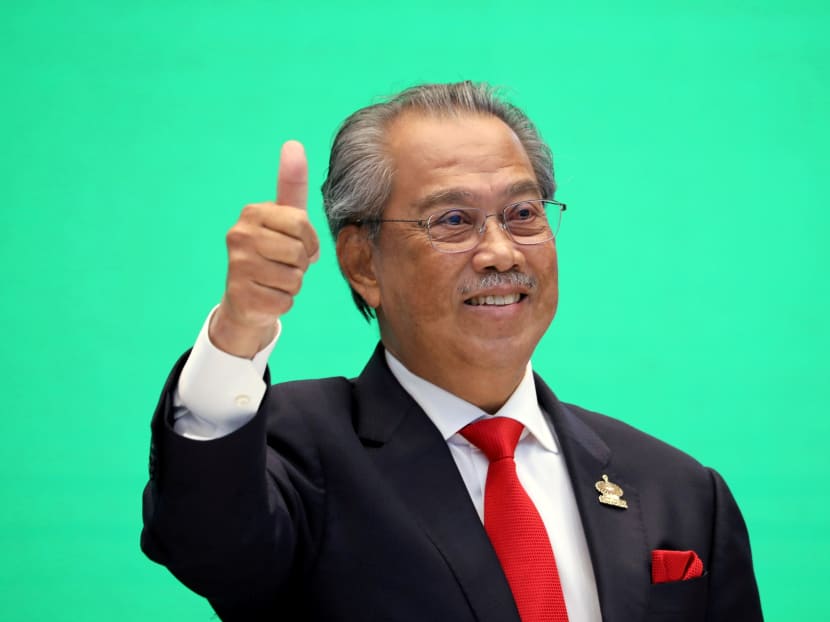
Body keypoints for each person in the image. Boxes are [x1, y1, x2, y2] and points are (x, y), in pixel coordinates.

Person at [141, 81, 763, 621]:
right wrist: (240, 329)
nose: (501, 252)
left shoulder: (680, 490)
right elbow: (208, 544)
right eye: (453, 222)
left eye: (522, 213)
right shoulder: (297, 450)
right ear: (362, 263)